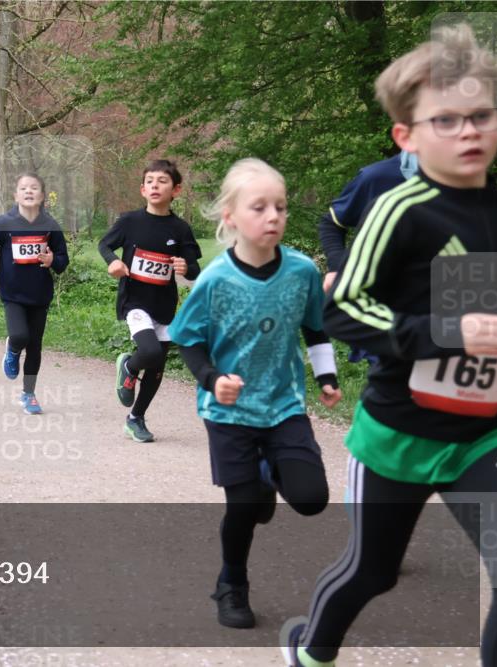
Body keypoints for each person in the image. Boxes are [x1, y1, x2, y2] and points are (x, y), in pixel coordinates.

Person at [281, 24, 497, 667]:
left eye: (481, 114)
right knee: (371, 573)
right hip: (400, 434)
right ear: (407, 135)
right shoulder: (402, 209)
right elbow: (341, 308)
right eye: (446, 120)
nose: (467, 131)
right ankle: (311, 652)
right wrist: (446, 333)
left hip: (483, 434)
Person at [168, 158, 341, 630]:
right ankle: (231, 584)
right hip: (228, 410)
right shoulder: (215, 279)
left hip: (283, 404)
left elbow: (316, 329)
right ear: (230, 217)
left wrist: (327, 378)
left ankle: (268, 473)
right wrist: (211, 379)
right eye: (259, 207)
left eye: (281, 208)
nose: (273, 217)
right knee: (244, 507)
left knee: (310, 498)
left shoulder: (303, 271)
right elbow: (188, 337)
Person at [98, 159, 203, 442]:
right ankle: (130, 366)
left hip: (164, 305)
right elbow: (104, 244)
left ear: (176, 190)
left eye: (163, 181)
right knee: (151, 352)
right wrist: (114, 262)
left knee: (157, 366)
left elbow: (194, 268)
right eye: (150, 181)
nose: (156, 185)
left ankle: (136, 418)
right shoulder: (130, 221)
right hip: (134, 301)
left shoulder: (180, 229)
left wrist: (185, 268)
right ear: (143, 189)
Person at [0, 172, 69, 414]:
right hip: (13, 294)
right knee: (19, 336)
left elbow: (63, 260)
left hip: (40, 295)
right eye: (24, 188)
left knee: (36, 346)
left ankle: (28, 394)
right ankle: (12, 349)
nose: (29, 191)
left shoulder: (50, 226)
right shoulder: (5, 223)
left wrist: (52, 260)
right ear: (16, 195)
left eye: (34, 188)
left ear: (42, 196)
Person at [317, 151, 419, 365]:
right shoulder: (377, 178)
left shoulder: (474, 187)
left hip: (446, 318)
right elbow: (332, 224)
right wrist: (337, 269)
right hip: (388, 318)